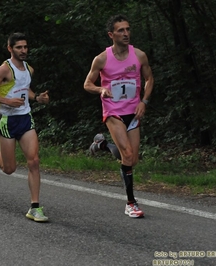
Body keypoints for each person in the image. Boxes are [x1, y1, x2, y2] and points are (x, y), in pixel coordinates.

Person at [84, 14, 154, 218]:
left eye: (128, 29)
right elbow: (87, 84)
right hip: (113, 112)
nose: (126, 33)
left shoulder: (139, 55)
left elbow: (149, 79)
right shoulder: (102, 59)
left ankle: (102, 146)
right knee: (127, 154)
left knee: (132, 160)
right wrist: (100, 90)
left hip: (133, 112)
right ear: (111, 34)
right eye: (121, 30)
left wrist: (144, 101)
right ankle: (131, 203)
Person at [0, 32, 50, 222]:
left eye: (25, 47)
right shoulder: (4, 70)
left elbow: (25, 89)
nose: (23, 50)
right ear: (10, 49)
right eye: (19, 47)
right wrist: (6, 100)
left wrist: (37, 98)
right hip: (7, 121)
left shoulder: (29, 69)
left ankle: (35, 207)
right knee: (9, 169)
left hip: (25, 118)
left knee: (33, 161)